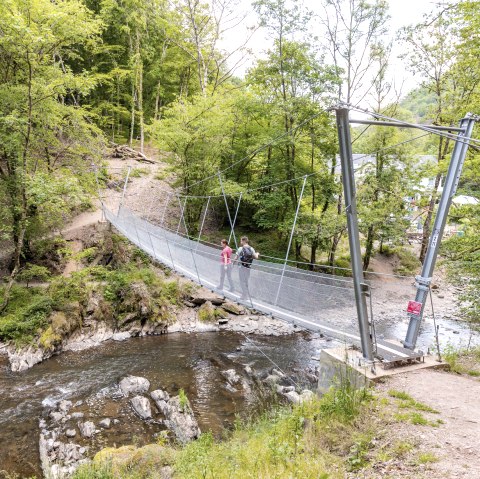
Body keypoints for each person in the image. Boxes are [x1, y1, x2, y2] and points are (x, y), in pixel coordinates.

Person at [234, 236, 259, 301]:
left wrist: (233, 263)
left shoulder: (240, 248)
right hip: (248, 268)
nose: (240, 242)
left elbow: (236, 258)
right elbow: (256, 257)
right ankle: (245, 295)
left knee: (241, 281)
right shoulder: (251, 249)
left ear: (244, 241)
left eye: (241, 241)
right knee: (246, 281)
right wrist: (257, 253)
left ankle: (244, 295)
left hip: (241, 267)